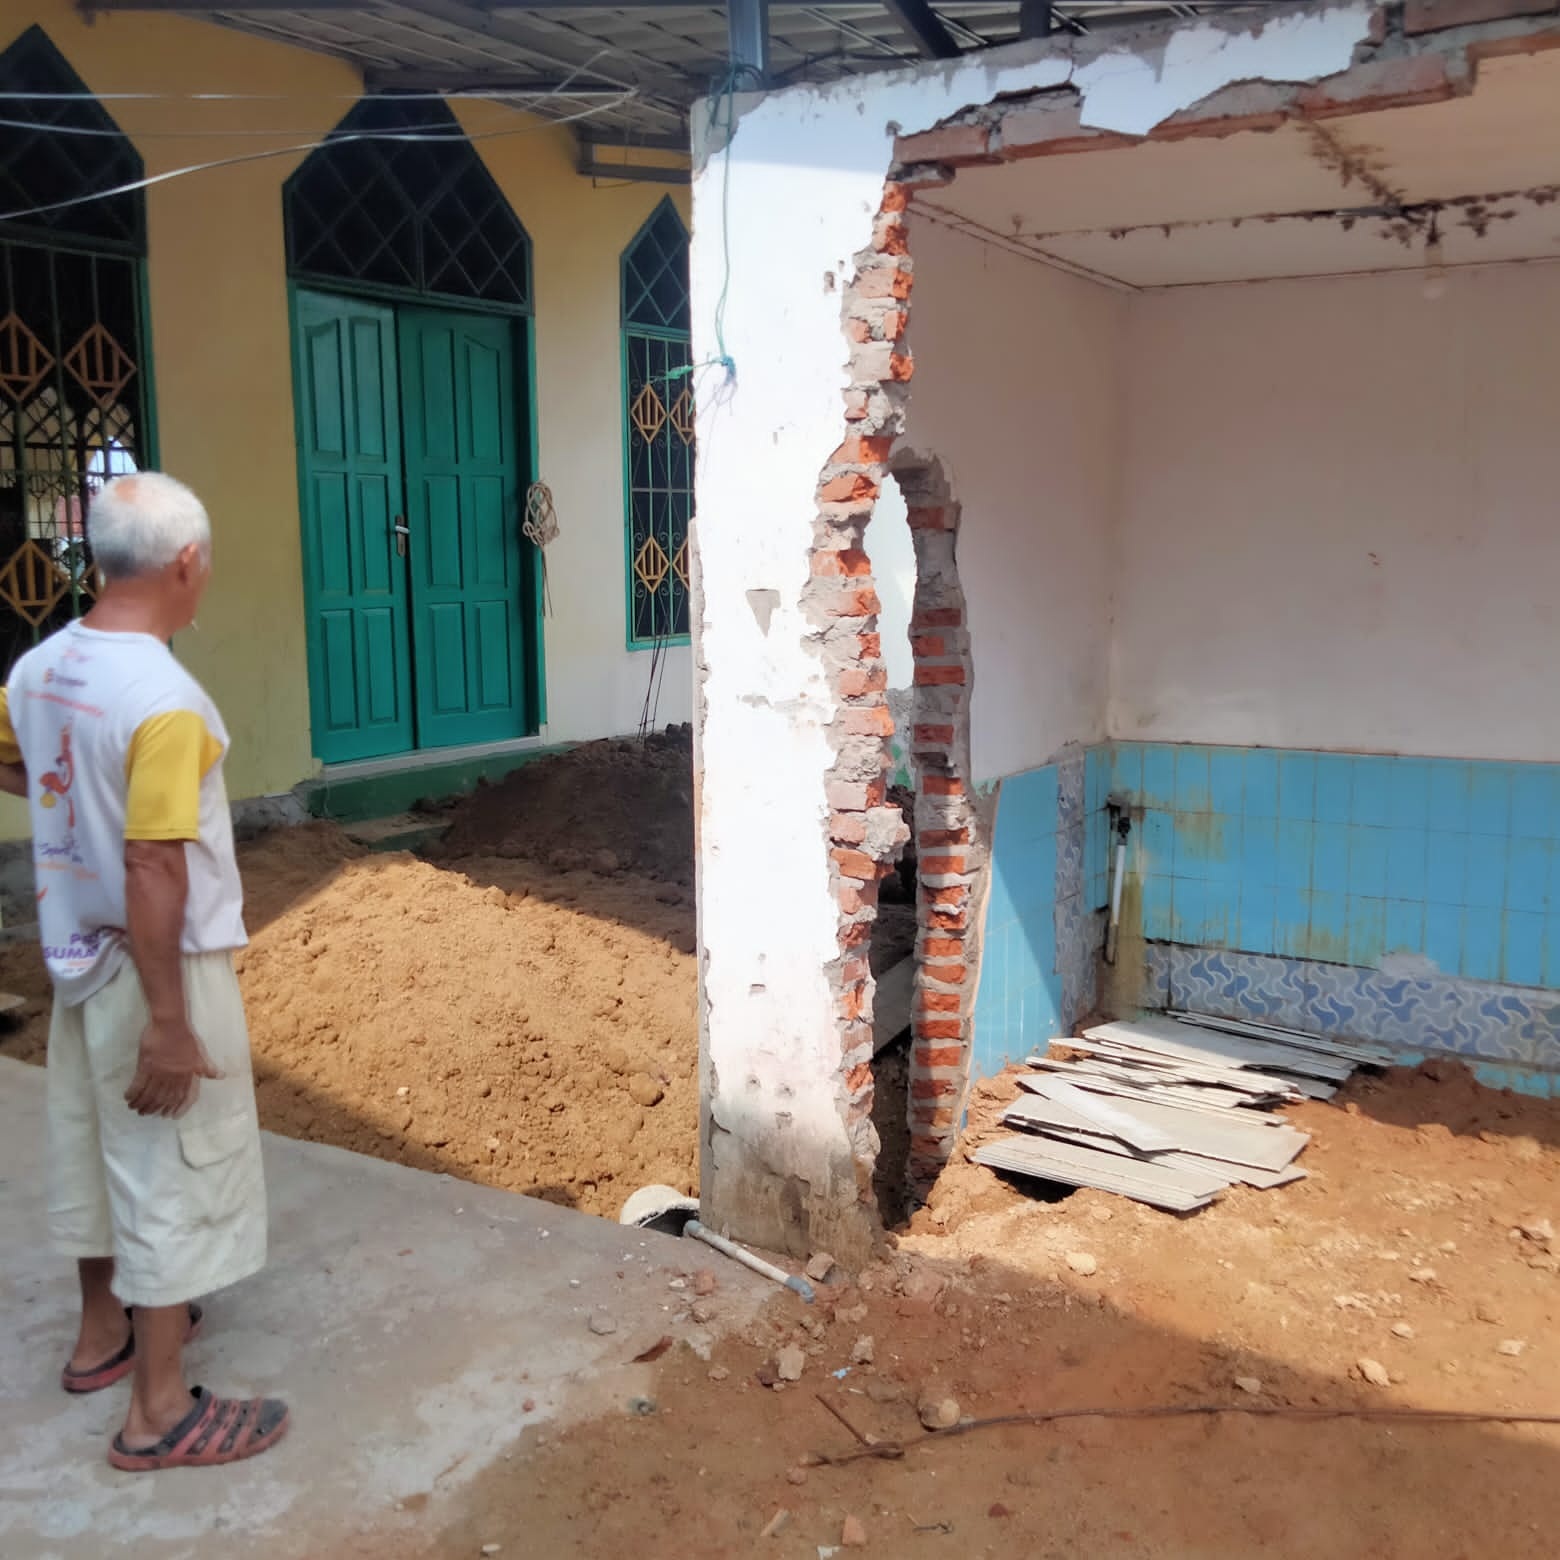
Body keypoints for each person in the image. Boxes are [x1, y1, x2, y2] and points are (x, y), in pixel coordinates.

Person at [0, 473, 289, 1471]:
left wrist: (73, 796)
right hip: (155, 962)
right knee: (171, 1163)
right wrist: (173, 1020)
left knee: (92, 1139)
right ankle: (157, 1411)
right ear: (185, 564)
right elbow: (156, 861)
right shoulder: (163, 699)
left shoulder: (39, 671)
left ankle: (98, 1337)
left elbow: (20, 763)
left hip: (75, 954)